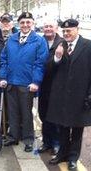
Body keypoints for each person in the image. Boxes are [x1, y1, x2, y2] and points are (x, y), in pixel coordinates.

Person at [0, 12, 48, 152]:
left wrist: (36, 82)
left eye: (28, 22)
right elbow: (4, 59)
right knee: (12, 112)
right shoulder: (12, 39)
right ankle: (13, 136)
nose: (25, 25)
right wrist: (3, 77)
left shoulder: (39, 41)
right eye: (22, 23)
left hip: (27, 84)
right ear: (18, 24)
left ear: (32, 23)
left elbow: (40, 63)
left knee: (26, 113)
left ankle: (28, 139)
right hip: (11, 82)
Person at [46, 19, 91, 170]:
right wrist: (57, 57)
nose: (66, 34)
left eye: (69, 30)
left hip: (80, 96)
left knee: (77, 129)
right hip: (61, 96)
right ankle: (62, 155)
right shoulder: (60, 45)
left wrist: (90, 95)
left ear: (77, 29)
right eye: (64, 31)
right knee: (63, 127)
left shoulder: (88, 46)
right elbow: (49, 70)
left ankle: (73, 158)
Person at [37, 19, 63, 155]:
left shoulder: (62, 43)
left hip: (57, 85)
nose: (48, 28)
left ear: (56, 28)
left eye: (50, 26)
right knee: (43, 114)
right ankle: (46, 142)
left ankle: (57, 143)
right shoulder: (39, 42)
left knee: (56, 115)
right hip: (43, 85)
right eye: (46, 26)